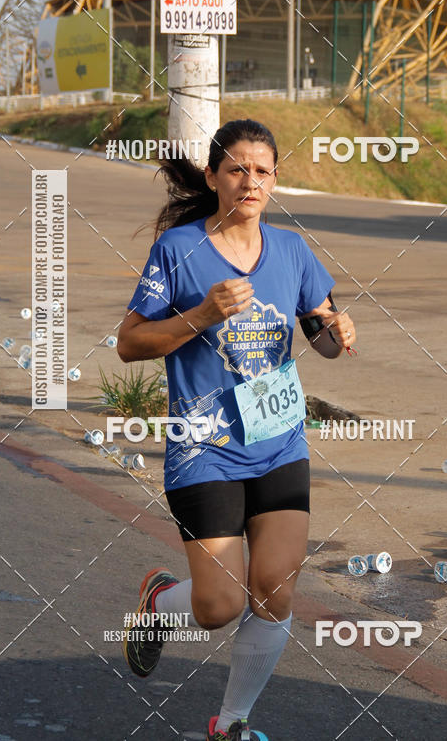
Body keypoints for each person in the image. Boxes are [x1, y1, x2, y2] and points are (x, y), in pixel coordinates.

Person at [117, 119, 356, 741]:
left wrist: (337, 334)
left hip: (279, 441)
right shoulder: (180, 249)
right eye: (237, 169)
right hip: (206, 450)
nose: (251, 181)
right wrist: (200, 314)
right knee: (218, 608)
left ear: (276, 179)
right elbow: (130, 343)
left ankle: (232, 724)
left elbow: (322, 334)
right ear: (214, 177)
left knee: (273, 591)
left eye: (263, 170)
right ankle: (157, 607)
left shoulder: (294, 250)